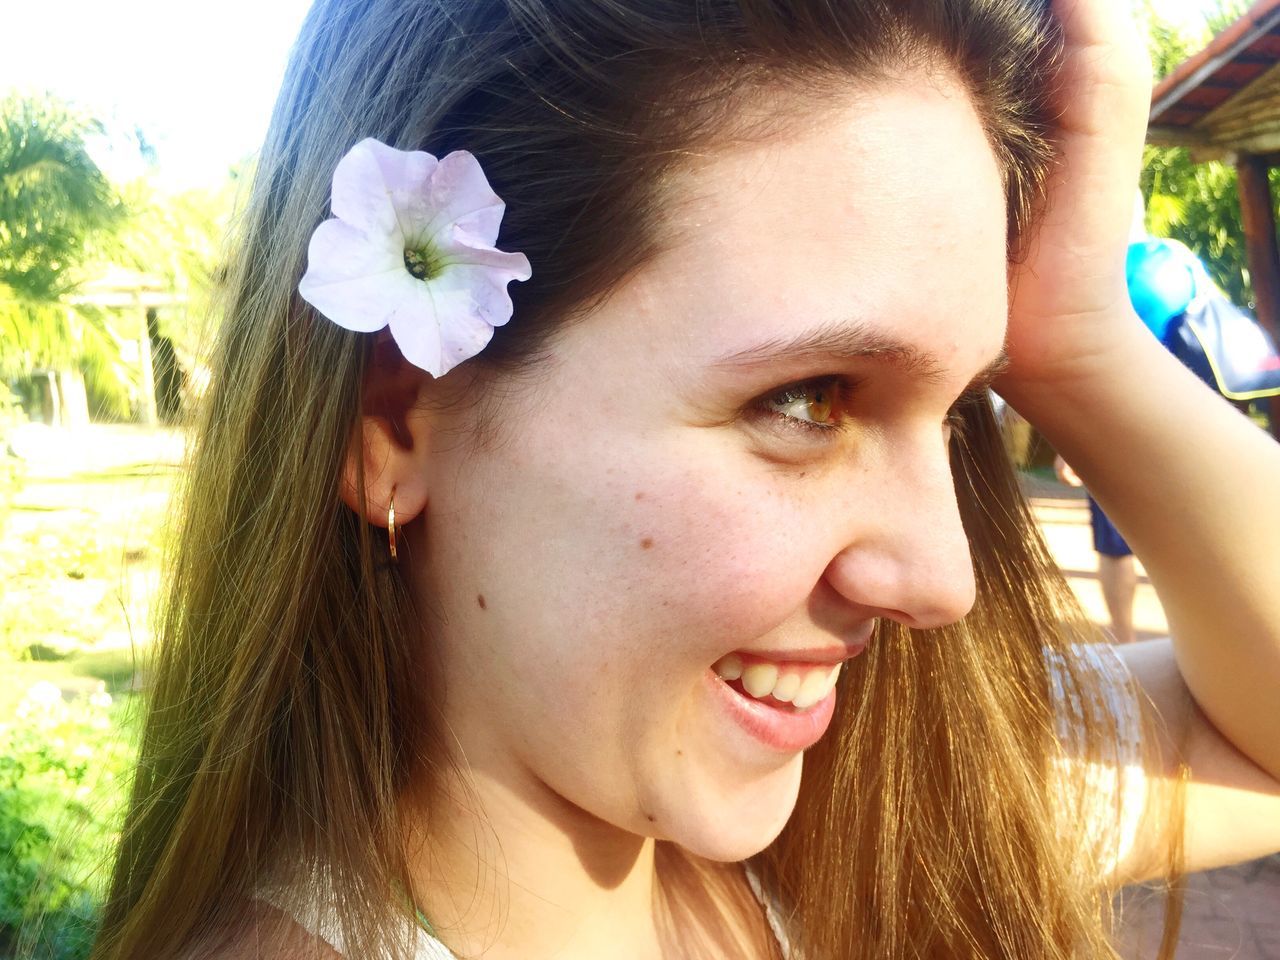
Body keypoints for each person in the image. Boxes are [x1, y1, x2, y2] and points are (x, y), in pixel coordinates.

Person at [86, 2, 1280, 959]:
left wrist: (1080, 341)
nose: (942, 581)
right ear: (393, 419)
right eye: (805, 400)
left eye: (962, 406)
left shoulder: (869, 822)